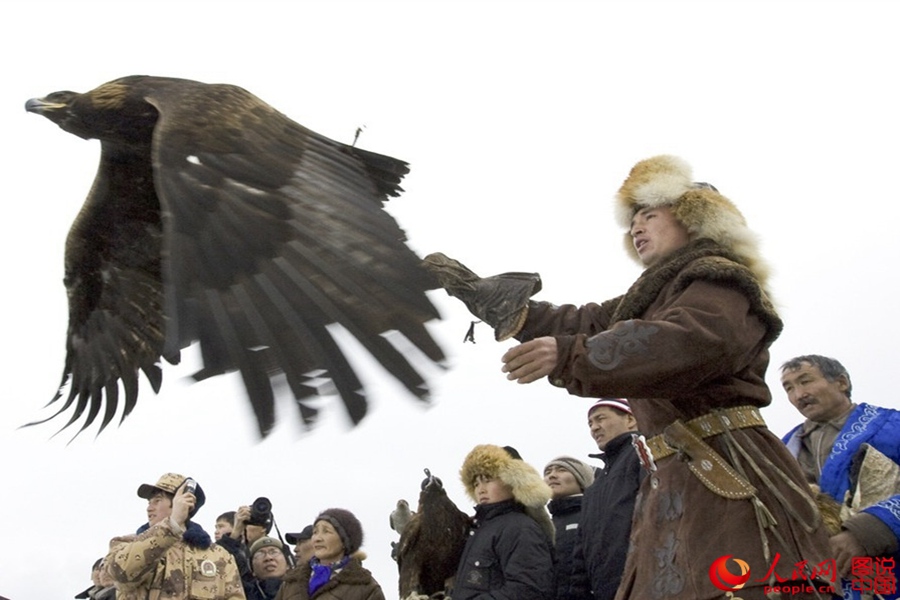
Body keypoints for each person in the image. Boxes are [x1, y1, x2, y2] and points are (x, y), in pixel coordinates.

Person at [427, 155, 832, 599]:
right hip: (670, 480)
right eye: (632, 220)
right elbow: (586, 323)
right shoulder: (649, 297)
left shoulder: (723, 281)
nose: (636, 227)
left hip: (728, 471)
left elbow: (688, 343)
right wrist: (498, 302)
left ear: (694, 221)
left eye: (650, 215)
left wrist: (569, 356)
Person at [781, 354, 900, 599]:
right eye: (789, 388)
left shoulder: (892, 426)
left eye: (806, 381)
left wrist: (867, 532)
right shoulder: (780, 449)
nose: (799, 394)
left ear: (842, 382)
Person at [104, 472, 244, 600]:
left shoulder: (219, 556)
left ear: (186, 501)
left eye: (157, 500)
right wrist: (172, 524)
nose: (149, 508)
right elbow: (120, 575)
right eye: (149, 502)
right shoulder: (126, 544)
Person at [451, 444, 554, 600]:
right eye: (476, 483)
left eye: (488, 480)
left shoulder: (521, 528)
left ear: (512, 481)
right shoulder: (479, 529)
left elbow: (528, 590)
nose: (481, 489)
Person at [569, 398, 643, 600]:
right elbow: (581, 551)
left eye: (600, 418)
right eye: (590, 423)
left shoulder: (644, 457)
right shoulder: (595, 486)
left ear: (630, 419)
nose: (594, 428)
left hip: (643, 585)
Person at [275, 508, 384, 600]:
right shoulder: (291, 581)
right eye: (315, 532)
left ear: (345, 541)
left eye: (326, 531)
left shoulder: (365, 587)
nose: (317, 538)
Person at [543, 455, 594, 600]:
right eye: (548, 473)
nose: (552, 475)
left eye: (561, 470)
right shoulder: (543, 525)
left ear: (581, 479)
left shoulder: (595, 516)